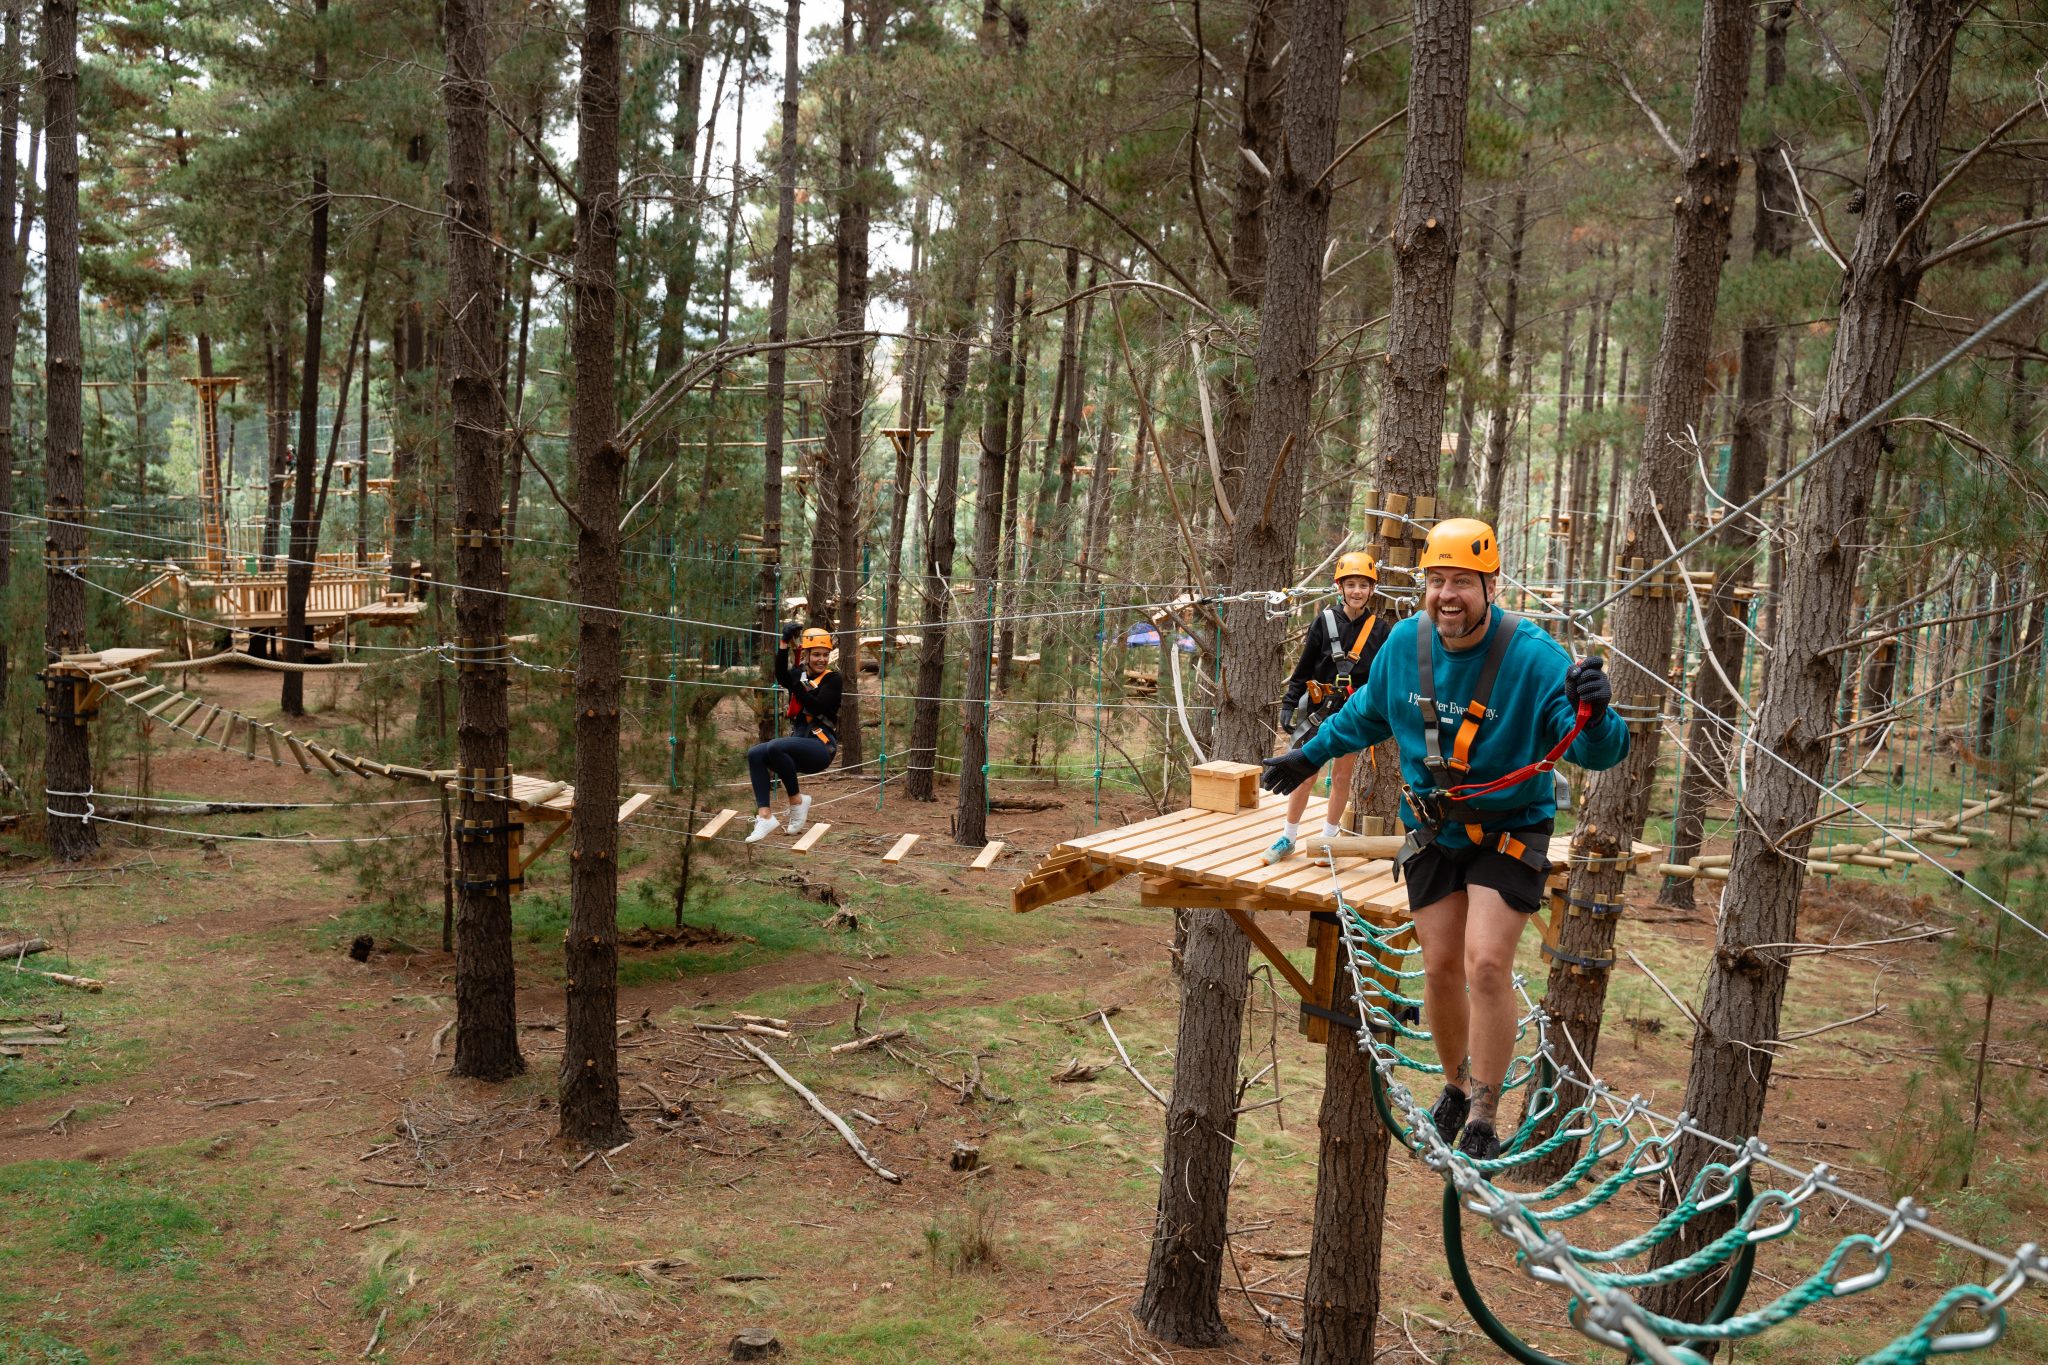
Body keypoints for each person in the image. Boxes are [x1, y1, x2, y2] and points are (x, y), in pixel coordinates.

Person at [1258, 517, 1624, 1160]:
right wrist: (1305, 757)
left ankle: (1483, 1112)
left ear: (1491, 585)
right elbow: (1364, 714)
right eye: (1436, 580)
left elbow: (1597, 751)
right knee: (1440, 967)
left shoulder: (1533, 658)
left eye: (1461, 581)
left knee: (1486, 963)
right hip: (1431, 825)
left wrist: (1596, 711)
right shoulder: (1405, 645)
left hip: (1509, 826)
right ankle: (1456, 1085)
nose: (1447, 594)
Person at [1264, 551, 1392, 863]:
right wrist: (1290, 702)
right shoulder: (1325, 622)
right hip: (1319, 707)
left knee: (1342, 775)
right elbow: (1304, 667)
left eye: (1363, 585)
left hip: (1353, 713)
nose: (1357, 591)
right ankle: (1288, 837)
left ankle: (1328, 839)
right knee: (1305, 772)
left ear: (1372, 590)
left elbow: (1385, 676)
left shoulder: (1381, 629)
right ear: (1340, 588)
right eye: (1351, 584)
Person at [745, 625, 842, 843]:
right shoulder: (801, 675)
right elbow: (781, 675)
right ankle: (765, 816)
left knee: (775, 746)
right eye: (816, 654)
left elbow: (817, 706)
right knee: (755, 754)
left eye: (825, 655)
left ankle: (796, 801)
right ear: (806, 655)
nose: (821, 659)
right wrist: (783, 643)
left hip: (821, 746)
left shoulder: (833, 679)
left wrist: (797, 683)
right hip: (798, 743)